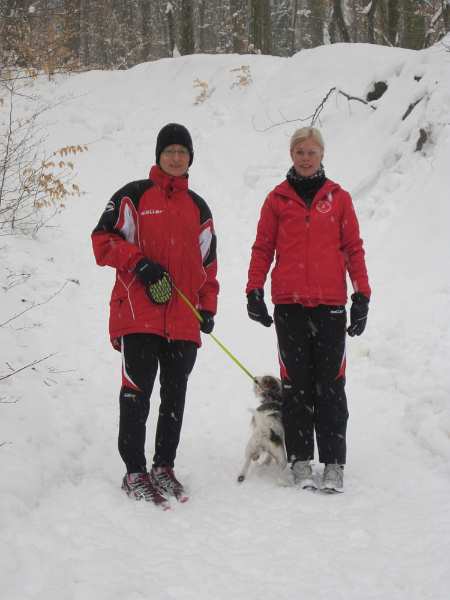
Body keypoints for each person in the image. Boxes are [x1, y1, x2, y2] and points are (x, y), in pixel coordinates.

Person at [92, 123, 219, 506]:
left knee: (174, 397)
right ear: (159, 155)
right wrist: (139, 263)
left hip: (183, 319)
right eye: (170, 151)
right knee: (136, 393)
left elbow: (208, 265)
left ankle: (163, 466)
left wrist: (207, 307)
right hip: (139, 313)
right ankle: (134, 471)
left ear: (190, 158)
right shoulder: (133, 195)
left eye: (182, 152)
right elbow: (102, 240)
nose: (176, 157)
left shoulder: (198, 207)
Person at [246, 126, 370, 493]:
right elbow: (262, 248)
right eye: (300, 151)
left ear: (321, 155)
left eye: (312, 152)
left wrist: (361, 295)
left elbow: (353, 248)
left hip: (330, 307)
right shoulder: (276, 200)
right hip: (290, 307)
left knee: (330, 386)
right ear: (292, 155)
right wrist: (254, 289)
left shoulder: (339, 198)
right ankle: (300, 460)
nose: (305, 158)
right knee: (296, 386)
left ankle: (333, 462)